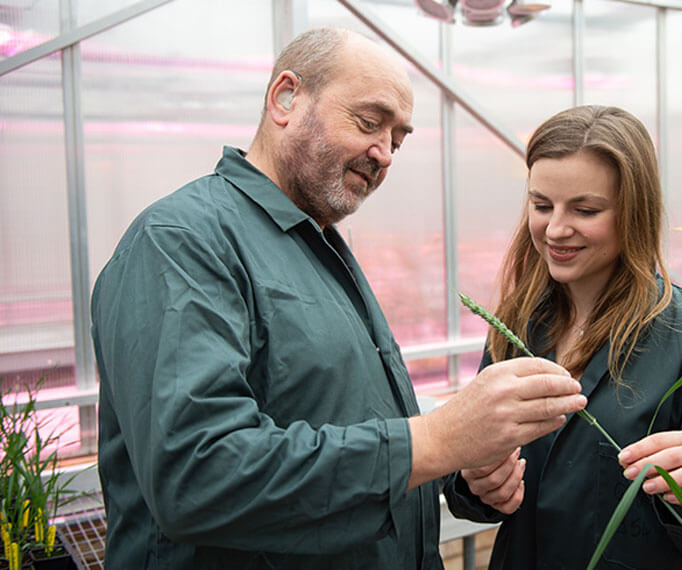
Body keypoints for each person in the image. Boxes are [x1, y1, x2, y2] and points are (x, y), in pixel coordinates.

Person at [89, 28, 587, 570]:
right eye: (369, 122)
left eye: (398, 139)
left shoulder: (317, 246)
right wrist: (436, 440)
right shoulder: (182, 241)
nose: (384, 153)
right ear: (285, 98)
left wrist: (463, 469)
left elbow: (344, 419)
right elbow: (198, 472)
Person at [443, 105, 682, 569]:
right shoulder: (518, 325)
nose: (555, 228)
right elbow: (472, 482)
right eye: (541, 205)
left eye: (585, 209)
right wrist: (476, 483)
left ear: (633, 212)